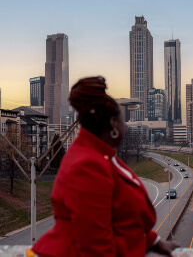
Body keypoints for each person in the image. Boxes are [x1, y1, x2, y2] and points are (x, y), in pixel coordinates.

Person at [32, 76, 179, 256]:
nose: (125, 126)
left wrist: (152, 241)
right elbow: (94, 244)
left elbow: (119, 218)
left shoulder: (100, 154)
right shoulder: (87, 165)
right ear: (113, 125)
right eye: (122, 121)